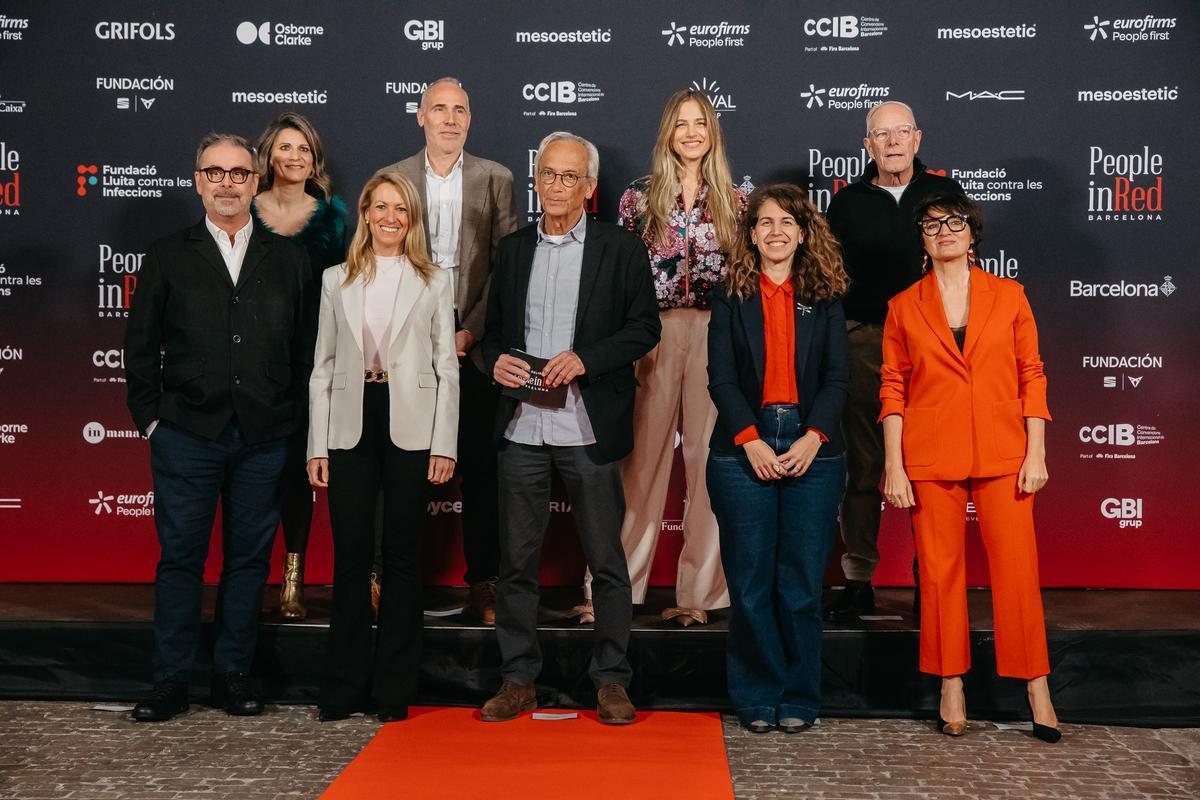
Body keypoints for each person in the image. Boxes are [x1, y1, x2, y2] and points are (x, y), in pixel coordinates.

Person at [123, 133, 312, 722]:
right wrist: (152, 421)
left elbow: (307, 353)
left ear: (255, 182)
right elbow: (139, 348)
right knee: (180, 558)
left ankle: (233, 674)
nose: (227, 183)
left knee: (249, 561)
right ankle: (171, 679)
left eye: (239, 173)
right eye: (215, 173)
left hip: (264, 437)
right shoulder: (167, 253)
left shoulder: (290, 259)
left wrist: (295, 426)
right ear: (199, 181)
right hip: (185, 433)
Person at [479, 132, 660, 725]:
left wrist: (587, 358)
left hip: (589, 426)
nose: (556, 186)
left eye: (569, 177)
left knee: (608, 561)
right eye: (548, 175)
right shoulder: (510, 250)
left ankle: (611, 680)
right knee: (516, 563)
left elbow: (643, 329)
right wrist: (495, 359)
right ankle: (516, 679)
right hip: (522, 429)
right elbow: (491, 336)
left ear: (589, 187)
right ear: (537, 181)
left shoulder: (621, 249)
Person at [880, 192, 1060, 742]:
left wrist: (1037, 450)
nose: (944, 232)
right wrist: (894, 463)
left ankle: (1037, 687)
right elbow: (893, 386)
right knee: (939, 574)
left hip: (1006, 450)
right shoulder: (903, 305)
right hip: (931, 454)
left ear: (973, 233)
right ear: (922, 240)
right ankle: (949, 682)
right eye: (932, 226)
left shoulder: (1009, 296)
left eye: (955, 222)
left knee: (1017, 572)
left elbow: (1032, 372)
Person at [576, 88, 745, 627]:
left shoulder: (739, 202)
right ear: (667, 133)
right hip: (652, 335)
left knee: (707, 463)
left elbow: (745, 279)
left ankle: (699, 596)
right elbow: (620, 276)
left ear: (712, 132)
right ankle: (613, 589)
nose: (691, 132)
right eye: (681, 124)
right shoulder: (637, 198)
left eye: (700, 123)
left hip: (718, 335)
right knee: (640, 464)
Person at [306, 171, 459, 722]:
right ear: (366, 213)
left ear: (412, 219)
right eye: (381, 207)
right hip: (350, 423)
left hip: (412, 425)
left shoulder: (435, 280)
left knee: (401, 559)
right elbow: (321, 368)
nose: (391, 218)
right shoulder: (334, 280)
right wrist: (316, 446)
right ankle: (343, 689)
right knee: (349, 559)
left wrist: (445, 443)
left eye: (402, 209)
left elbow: (447, 367)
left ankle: (393, 691)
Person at [706, 184, 849, 733]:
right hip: (745, 447)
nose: (776, 232)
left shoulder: (826, 294)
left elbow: (838, 378)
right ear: (751, 234)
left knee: (799, 585)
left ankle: (800, 695)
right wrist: (751, 439)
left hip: (815, 447)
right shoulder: (730, 295)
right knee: (750, 584)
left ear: (804, 232)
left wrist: (814, 436)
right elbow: (720, 377)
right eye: (765, 222)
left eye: (787, 222)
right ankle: (757, 694)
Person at [382, 77, 518, 625]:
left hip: (476, 347)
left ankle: (485, 583)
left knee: (483, 471)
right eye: (438, 108)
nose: (449, 118)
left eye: (460, 109)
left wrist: (470, 334)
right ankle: (395, 584)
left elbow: (507, 266)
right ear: (420, 116)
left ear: (470, 119)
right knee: (405, 467)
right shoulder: (392, 179)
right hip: (407, 347)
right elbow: (380, 263)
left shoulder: (497, 179)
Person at [824, 101, 965, 621]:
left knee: (931, 465)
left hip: (935, 342)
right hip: (865, 339)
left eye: (902, 132)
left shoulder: (944, 198)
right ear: (868, 145)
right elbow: (829, 279)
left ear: (918, 137)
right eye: (881, 135)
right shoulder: (847, 203)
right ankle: (858, 578)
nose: (892, 142)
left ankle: (932, 578)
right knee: (864, 461)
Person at [251, 111, 348, 621]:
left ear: (315, 160)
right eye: (285, 147)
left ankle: (313, 576)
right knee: (273, 470)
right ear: (268, 154)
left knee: (316, 467)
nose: (294, 157)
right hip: (256, 359)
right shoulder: (244, 210)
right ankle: (274, 578)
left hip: (318, 356)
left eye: (304, 149)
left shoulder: (333, 218)